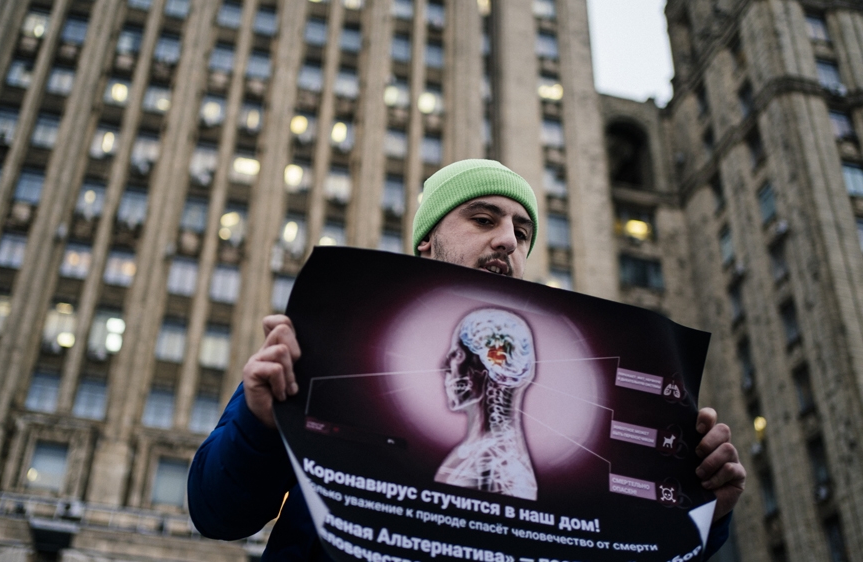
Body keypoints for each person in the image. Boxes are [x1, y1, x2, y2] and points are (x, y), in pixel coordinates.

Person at [188, 159, 746, 561]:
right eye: (483, 220)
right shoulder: (325, 342)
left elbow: (626, 548)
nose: (508, 240)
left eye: (522, 232)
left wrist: (706, 512)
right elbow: (218, 514)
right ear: (426, 242)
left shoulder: (590, 396)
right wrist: (259, 425)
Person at [435, 308, 539, 500]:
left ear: (489, 365)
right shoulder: (480, 455)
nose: (444, 366)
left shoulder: (498, 469)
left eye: (457, 354)